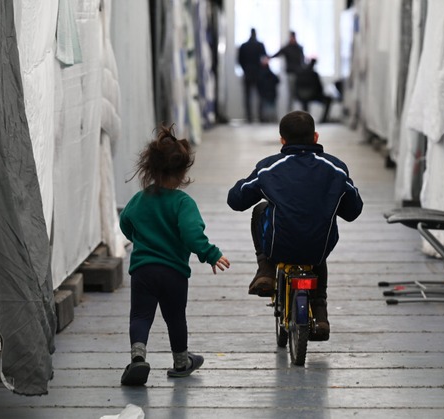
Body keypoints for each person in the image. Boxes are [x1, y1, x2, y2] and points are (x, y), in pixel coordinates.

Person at [227, 111, 363, 340]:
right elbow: (353, 210)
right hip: (318, 247)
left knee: (259, 210)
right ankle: (320, 313)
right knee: (319, 232)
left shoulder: (269, 168)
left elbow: (236, 200)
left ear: (282, 140)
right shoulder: (336, 169)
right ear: (316, 137)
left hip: (278, 246)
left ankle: (266, 269)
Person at [119, 125, 230, 386]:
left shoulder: (139, 199)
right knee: (175, 317)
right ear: (182, 173)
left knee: (140, 316)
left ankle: (138, 359)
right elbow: (192, 235)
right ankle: (181, 362)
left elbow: (125, 223)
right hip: (174, 273)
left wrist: (140, 238)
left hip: (143, 270)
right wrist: (210, 254)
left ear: (152, 169)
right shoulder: (183, 203)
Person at [270, 31, 305, 112]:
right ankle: (290, 113)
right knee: (291, 94)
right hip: (290, 73)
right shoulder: (287, 48)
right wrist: (268, 58)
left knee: (300, 94)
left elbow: (303, 61)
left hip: (299, 74)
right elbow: (277, 54)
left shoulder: (299, 48)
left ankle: (302, 114)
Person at [238, 28, 267, 122]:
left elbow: (239, 60)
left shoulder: (244, 45)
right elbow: (264, 59)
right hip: (258, 73)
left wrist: (245, 69)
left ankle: (249, 117)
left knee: (247, 96)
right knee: (261, 96)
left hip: (247, 72)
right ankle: (260, 116)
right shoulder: (260, 45)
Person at [295, 58, 333, 123]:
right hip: (312, 95)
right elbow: (319, 87)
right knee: (328, 99)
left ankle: (305, 120)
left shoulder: (299, 73)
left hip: (301, 96)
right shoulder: (314, 74)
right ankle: (323, 120)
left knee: (305, 102)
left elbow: (295, 86)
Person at [256, 57, 280, 122]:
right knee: (268, 106)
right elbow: (277, 80)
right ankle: (269, 118)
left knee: (266, 106)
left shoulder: (260, 73)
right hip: (269, 92)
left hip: (266, 93)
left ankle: (267, 118)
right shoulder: (269, 73)